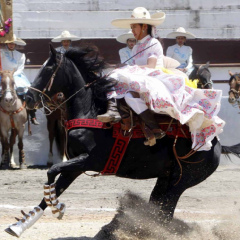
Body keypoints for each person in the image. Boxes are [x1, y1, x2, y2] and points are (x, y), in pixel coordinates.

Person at [97, 7, 225, 150]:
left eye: (134, 26)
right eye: (131, 27)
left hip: (153, 77)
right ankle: (149, 127)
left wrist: (128, 70)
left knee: (117, 76)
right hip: (138, 78)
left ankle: (141, 122)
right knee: (126, 94)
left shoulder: (153, 43)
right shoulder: (135, 47)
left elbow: (151, 66)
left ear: (144, 26)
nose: (132, 30)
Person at [1, 34, 39, 125]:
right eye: (9, 43)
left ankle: (32, 115)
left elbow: (21, 68)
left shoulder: (21, 55)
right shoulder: (1, 52)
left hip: (16, 75)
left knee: (28, 91)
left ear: (15, 44)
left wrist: (12, 75)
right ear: (6, 43)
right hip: (3, 75)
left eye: (13, 43)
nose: (11, 45)